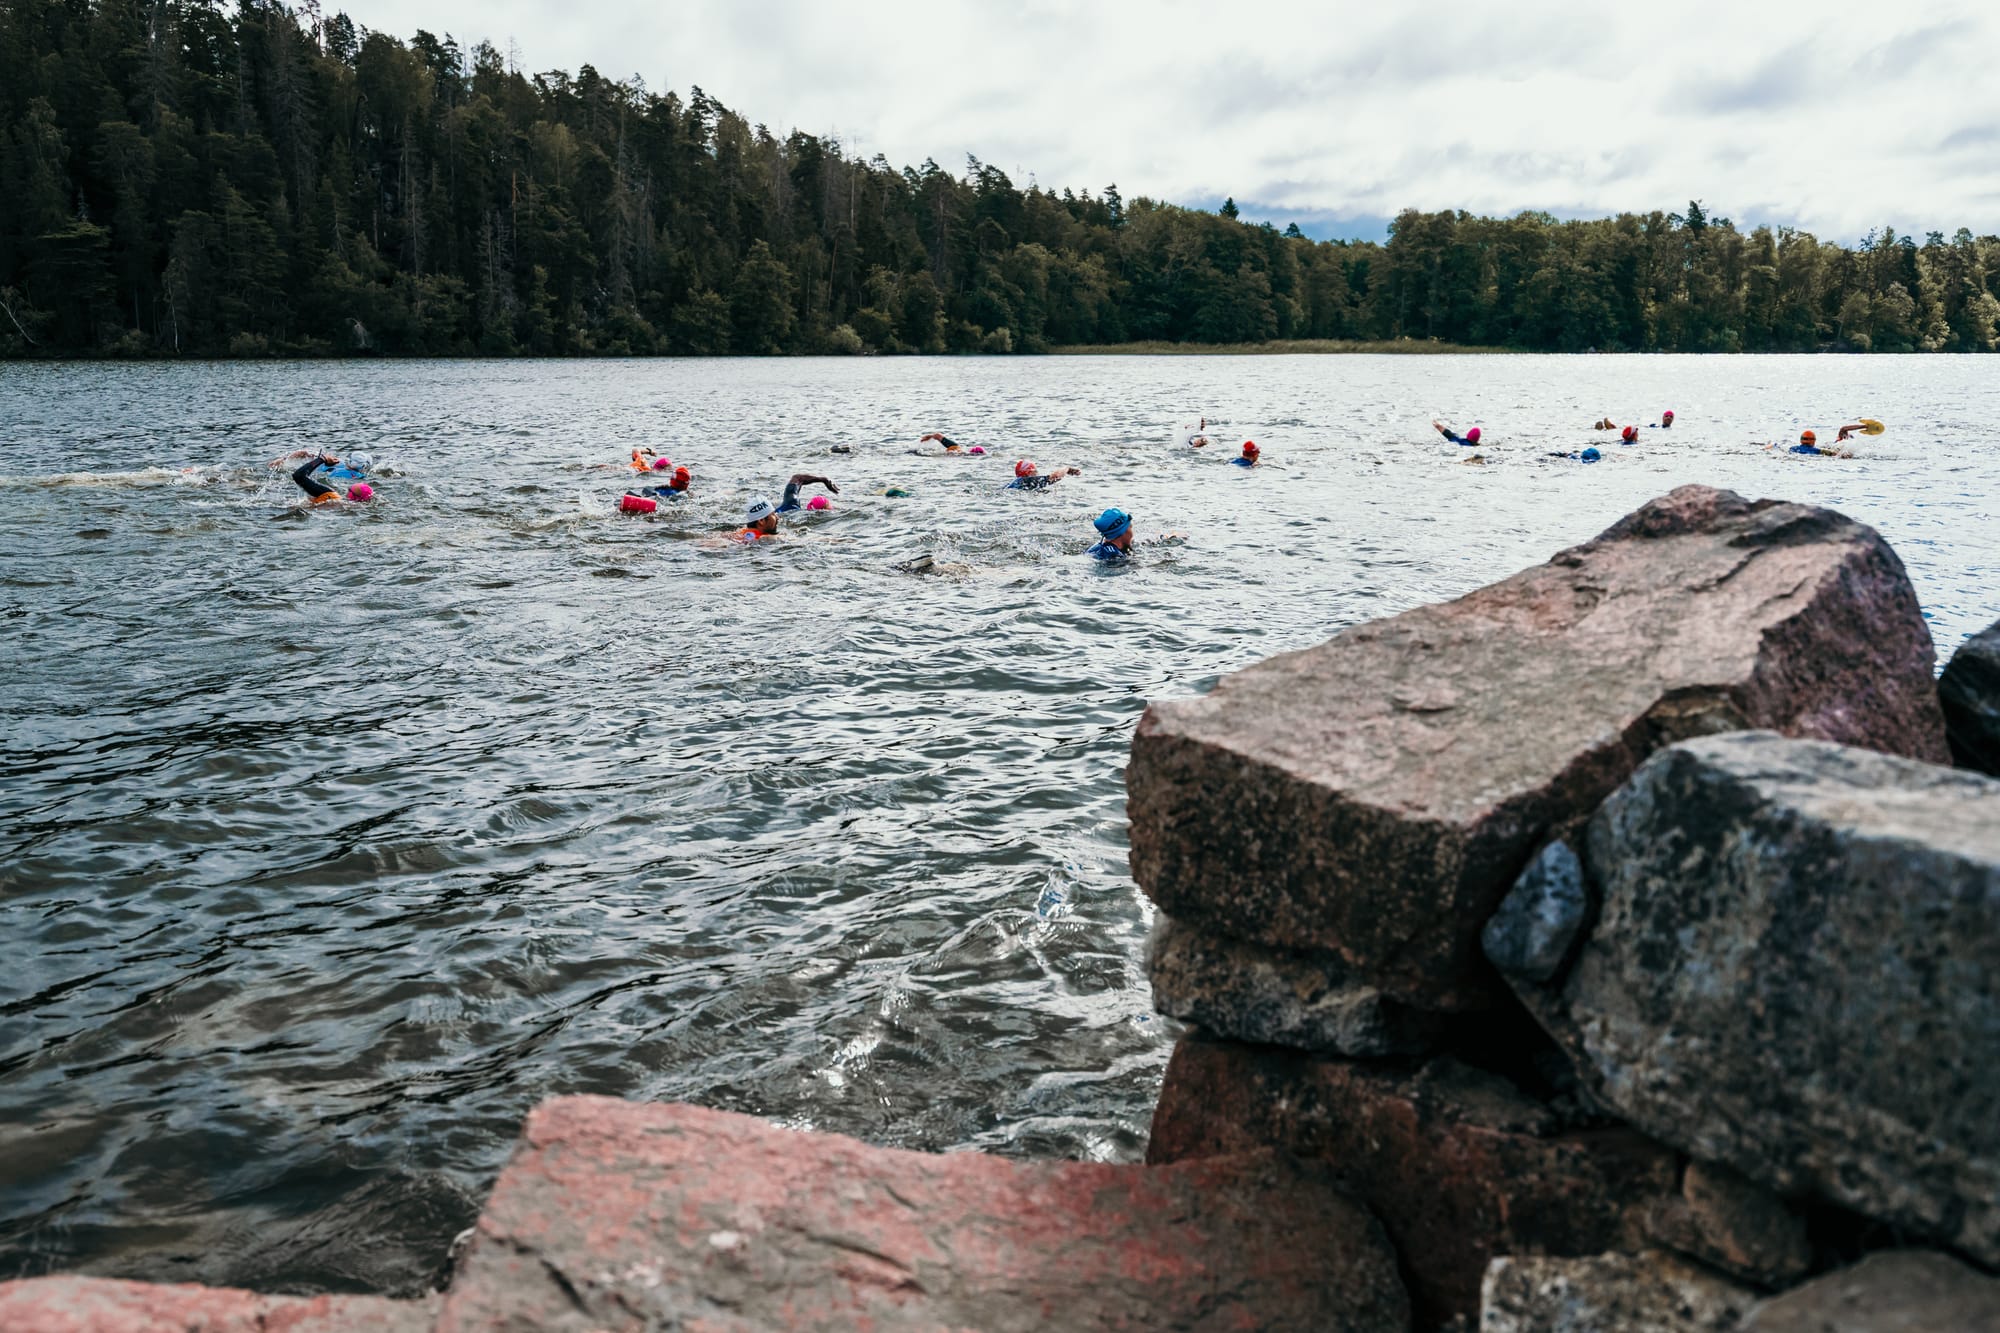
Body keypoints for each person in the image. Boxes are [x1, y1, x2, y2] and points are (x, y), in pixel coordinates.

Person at [283, 452, 373, 504]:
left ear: (351, 495)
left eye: (349, 490)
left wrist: (322, 459)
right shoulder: (344, 504)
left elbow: (299, 476)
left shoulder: (332, 496)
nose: (347, 490)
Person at [272, 448, 374, 481]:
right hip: (316, 477)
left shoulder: (337, 462)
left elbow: (303, 453)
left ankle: (281, 461)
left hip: (310, 472)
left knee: (303, 453)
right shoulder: (360, 477)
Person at [1006, 460, 1080, 491]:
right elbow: (1054, 477)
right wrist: (1067, 469)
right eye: (1035, 472)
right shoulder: (1027, 480)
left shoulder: (1014, 483)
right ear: (1028, 472)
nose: (1037, 474)